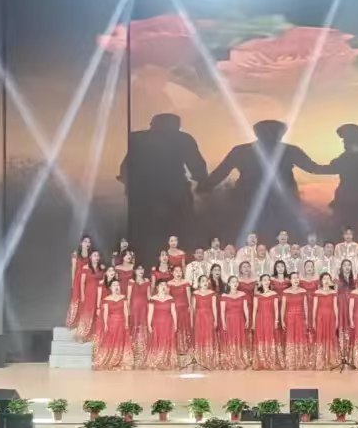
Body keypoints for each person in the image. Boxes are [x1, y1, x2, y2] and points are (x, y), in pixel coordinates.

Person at [198, 119, 333, 238]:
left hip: (251, 199)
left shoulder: (241, 151)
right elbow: (313, 168)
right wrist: (337, 167)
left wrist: (205, 186)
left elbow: (221, 172)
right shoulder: (290, 150)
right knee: (282, 234)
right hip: (277, 201)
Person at [119, 113, 207, 257]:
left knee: (145, 237)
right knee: (182, 234)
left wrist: (129, 184)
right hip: (175, 196)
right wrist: (203, 182)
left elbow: (125, 166)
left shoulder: (137, 138)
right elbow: (198, 168)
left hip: (144, 196)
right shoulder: (183, 139)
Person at [93, 279, 131, 370]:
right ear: (110, 288)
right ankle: (109, 359)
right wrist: (106, 324)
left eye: (117, 285)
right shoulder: (106, 299)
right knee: (111, 341)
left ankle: (120, 360)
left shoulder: (123, 298)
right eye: (114, 285)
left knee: (121, 341)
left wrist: (126, 323)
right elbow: (106, 313)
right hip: (112, 323)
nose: (116, 287)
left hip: (121, 322)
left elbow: (126, 311)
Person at [219, 275, 252, 370]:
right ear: (229, 284)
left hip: (240, 319)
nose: (235, 283)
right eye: (233, 282)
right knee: (230, 338)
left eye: (236, 282)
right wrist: (223, 322)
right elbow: (222, 311)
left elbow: (245, 308)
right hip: (229, 320)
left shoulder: (243, 294)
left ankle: (240, 358)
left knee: (240, 338)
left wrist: (247, 319)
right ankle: (231, 359)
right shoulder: (224, 296)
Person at [280, 272, 311, 369]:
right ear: (290, 280)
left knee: (300, 337)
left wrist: (306, 319)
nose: (296, 279)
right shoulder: (285, 292)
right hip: (289, 318)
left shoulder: (303, 291)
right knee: (290, 337)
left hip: (300, 317)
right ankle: (291, 361)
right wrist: (282, 320)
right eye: (293, 278)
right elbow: (283, 307)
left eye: (297, 277)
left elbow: (306, 306)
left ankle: (301, 360)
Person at [144, 280, 178, 370]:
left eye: (165, 285)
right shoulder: (152, 299)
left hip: (168, 323)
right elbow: (150, 313)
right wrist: (149, 324)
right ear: (157, 287)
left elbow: (173, 312)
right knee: (157, 341)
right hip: (157, 324)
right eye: (161, 285)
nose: (163, 286)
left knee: (167, 341)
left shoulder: (170, 298)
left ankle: (167, 360)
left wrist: (175, 324)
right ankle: (156, 361)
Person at [311, 273, 341, 369]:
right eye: (324, 279)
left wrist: (337, 319)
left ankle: (331, 360)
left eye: (328, 279)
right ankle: (321, 360)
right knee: (320, 336)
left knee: (331, 336)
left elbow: (335, 307)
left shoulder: (333, 292)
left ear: (331, 281)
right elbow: (314, 308)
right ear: (321, 281)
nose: (326, 281)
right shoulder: (317, 292)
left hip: (331, 317)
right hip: (320, 317)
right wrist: (313, 320)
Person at [251, 275, 282, 370]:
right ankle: (261, 361)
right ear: (260, 282)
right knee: (260, 338)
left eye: (268, 280)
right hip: (260, 319)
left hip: (270, 319)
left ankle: (271, 360)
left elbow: (276, 309)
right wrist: (253, 323)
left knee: (270, 337)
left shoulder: (274, 294)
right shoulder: (257, 294)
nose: (266, 281)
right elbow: (254, 309)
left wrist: (276, 320)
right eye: (264, 280)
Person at [73, 250, 105, 342]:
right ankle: (81, 335)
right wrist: (83, 296)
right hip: (89, 293)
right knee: (86, 314)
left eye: (98, 255)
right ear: (90, 257)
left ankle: (93, 335)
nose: (97, 257)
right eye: (95, 255)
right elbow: (82, 283)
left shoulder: (101, 268)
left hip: (99, 294)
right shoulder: (86, 267)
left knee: (96, 314)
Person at [192, 275, 220, 370]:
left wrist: (215, 319)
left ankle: (209, 360)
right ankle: (200, 360)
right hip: (199, 317)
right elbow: (193, 309)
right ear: (199, 283)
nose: (205, 283)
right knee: (200, 337)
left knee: (209, 336)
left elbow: (214, 307)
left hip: (208, 317)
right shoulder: (195, 293)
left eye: (206, 281)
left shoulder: (212, 293)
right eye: (203, 281)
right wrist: (193, 321)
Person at [167, 265, 193, 365]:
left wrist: (190, 307)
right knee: (175, 327)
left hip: (184, 309)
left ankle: (185, 347)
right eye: (176, 271)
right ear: (172, 273)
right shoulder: (169, 283)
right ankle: (176, 347)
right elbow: (168, 297)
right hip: (174, 309)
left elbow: (189, 297)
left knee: (184, 327)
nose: (178, 273)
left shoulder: (185, 282)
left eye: (180, 271)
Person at [65, 234, 93, 329]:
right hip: (77, 279)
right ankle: (73, 322)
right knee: (76, 299)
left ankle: (83, 322)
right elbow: (73, 268)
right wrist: (73, 282)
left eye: (89, 242)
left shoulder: (91, 255)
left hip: (87, 280)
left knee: (85, 300)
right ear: (81, 243)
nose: (87, 243)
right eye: (85, 241)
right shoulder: (75, 254)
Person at [127, 264, 151, 368]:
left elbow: (149, 297)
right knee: (134, 326)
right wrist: (128, 310)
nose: (141, 271)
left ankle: (143, 350)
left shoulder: (147, 281)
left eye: (142, 269)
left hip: (145, 308)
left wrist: (151, 309)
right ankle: (134, 349)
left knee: (144, 327)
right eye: (138, 269)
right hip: (134, 308)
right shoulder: (131, 282)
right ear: (135, 271)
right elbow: (128, 297)